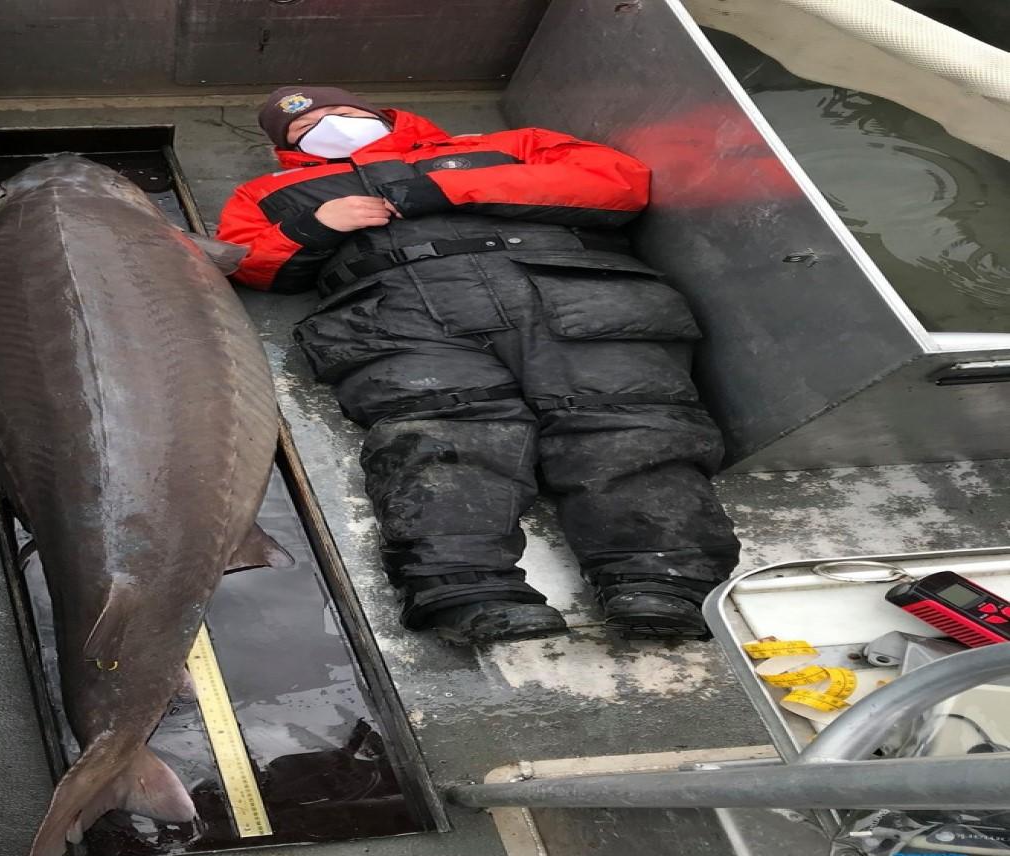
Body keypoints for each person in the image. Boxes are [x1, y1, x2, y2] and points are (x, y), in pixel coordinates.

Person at [216, 86, 741, 644]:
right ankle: (467, 592)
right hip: (400, 313)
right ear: (285, 151)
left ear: (377, 114)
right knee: (440, 436)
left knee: (623, 419)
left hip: (570, 289)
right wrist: (315, 225)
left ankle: (661, 579)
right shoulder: (265, 191)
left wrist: (444, 187)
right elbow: (246, 260)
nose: (328, 126)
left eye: (341, 113)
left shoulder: (509, 144)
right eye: (303, 130)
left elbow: (616, 181)